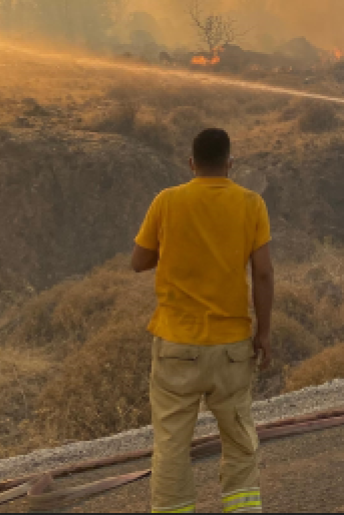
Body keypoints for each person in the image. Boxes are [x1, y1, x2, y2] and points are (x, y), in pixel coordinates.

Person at [131, 128, 273, 515]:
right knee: (239, 440)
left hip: (176, 346)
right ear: (230, 163)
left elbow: (139, 261)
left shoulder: (167, 201)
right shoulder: (252, 204)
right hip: (231, 347)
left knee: (172, 445)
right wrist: (263, 333)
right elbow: (263, 273)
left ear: (191, 164)